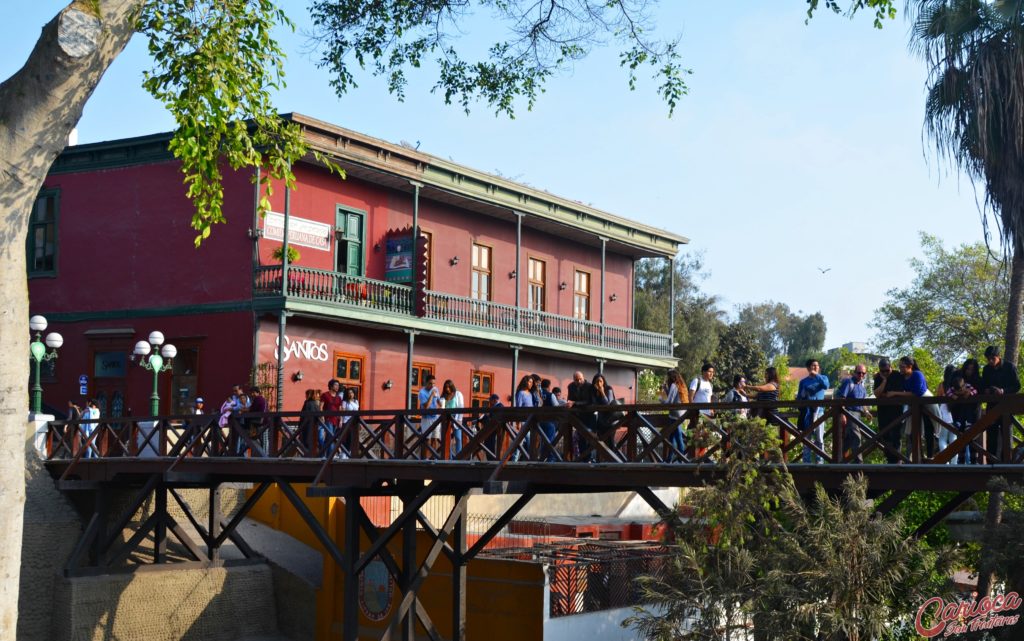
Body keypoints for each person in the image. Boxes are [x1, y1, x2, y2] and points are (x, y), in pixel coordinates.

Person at [887, 356, 939, 458]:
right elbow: (892, 376)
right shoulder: (902, 376)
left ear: (910, 366)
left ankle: (930, 456)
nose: (900, 369)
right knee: (912, 430)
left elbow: (917, 393)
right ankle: (917, 456)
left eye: (902, 367)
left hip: (926, 400)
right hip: (914, 405)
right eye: (900, 367)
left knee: (930, 429)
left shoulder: (917, 374)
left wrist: (894, 393)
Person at [980, 345, 1021, 463]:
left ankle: (1006, 463)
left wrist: (1003, 391)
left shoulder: (1009, 367)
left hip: (1007, 407)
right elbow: (983, 385)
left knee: (1006, 436)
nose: (990, 361)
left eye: (993, 358)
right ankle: (990, 463)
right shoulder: (986, 369)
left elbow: (1017, 386)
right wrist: (987, 390)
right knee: (991, 437)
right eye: (988, 359)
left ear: (998, 357)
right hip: (992, 407)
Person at [834, 365, 872, 462]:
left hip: (857, 414)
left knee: (849, 439)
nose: (861, 375)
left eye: (863, 373)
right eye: (859, 372)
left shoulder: (862, 385)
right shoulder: (848, 382)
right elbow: (842, 399)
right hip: (849, 412)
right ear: (854, 373)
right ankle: (859, 463)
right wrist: (842, 414)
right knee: (856, 437)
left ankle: (840, 461)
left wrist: (866, 412)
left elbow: (862, 402)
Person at [796, 359, 829, 463]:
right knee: (807, 439)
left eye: (817, 366)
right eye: (813, 365)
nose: (815, 367)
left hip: (819, 413)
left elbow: (826, 385)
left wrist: (816, 375)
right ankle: (806, 462)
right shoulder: (803, 381)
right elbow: (799, 398)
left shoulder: (823, 378)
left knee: (819, 438)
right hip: (807, 413)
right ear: (808, 368)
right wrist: (803, 395)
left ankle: (820, 462)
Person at [873, 358, 904, 463]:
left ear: (891, 367)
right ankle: (890, 461)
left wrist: (887, 394)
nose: (885, 373)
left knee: (896, 437)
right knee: (884, 438)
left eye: (887, 370)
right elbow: (877, 394)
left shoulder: (897, 376)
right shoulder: (878, 378)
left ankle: (897, 462)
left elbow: (899, 392)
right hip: (883, 412)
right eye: (883, 371)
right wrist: (884, 381)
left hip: (896, 412)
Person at [945, 371, 978, 464]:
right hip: (958, 415)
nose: (960, 392)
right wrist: (953, 395)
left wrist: (970, 393)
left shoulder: (968, 386)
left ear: (964, 386)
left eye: (961, 390)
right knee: (961, 438)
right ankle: (961, 459)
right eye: (957, 390)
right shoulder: (952, 389)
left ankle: (974, 460)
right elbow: (947, 392)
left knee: (972, 437)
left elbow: (975, 391)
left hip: (970, 416)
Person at [661, 369, 688, 457]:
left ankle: (682, 459)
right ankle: (670, 459)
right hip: (682, 413)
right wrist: (666, 389)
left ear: (671, 377)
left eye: (668, 377)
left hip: (674, 414)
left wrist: (660, 400)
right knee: (672, 436)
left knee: (677, 437)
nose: (667, 379)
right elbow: (674, 397)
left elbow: (669, 402)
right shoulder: (681, 385)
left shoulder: (673, 385)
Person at [417, 375, 442, 457]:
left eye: (434, 383)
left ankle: (433, 458)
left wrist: (442, 403)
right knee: (426, 440)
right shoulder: (421, 393)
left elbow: (439, 402)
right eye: (430, 383)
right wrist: (431, 395)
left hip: (436, 418)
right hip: (426, 419)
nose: (432, 386)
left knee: (435, 439)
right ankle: (424, 459)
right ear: (426, 383)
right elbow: (426, 407)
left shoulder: (436, 389)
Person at [441, 380, 464, 457]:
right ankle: (449, 457)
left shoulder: (458, 394)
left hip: (456, 417)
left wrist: (459, 419)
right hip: (446, 418)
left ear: (451, 386)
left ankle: (459, 457)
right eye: (446, 387)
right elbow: (442, 408)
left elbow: (461, 406)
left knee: (458, 438)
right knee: (447, 439)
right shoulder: (444, 396)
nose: (447, 389)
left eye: (448, 387)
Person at [320, 379, 343, 453]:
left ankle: (323, 454)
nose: (337, 387)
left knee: (329, 438)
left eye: (338, 385)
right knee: (331, 437)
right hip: (328, 418)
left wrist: (341, 420)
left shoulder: (339, 397)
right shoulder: (325, 395)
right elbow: (321, 407)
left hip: (336, 420)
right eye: (335, 385)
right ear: (331, 386)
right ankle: (330, 456)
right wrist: (322, 416)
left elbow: (340, 410)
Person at [300, 388, 323, 454]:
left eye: (306, 394)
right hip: (315, 425)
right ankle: (314, 454)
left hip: (307, 425)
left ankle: (308, 455)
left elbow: (303, 414)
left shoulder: (307, 403)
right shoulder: (316, 403)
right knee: (314, 440)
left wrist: (300, 425)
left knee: (306, 441)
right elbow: (319, 414)